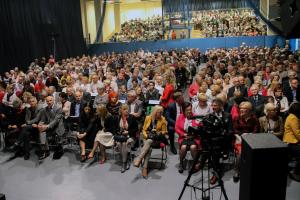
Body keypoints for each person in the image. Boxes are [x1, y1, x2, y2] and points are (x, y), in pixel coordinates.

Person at [134, 105, 168, 178]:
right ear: (155, 112)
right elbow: (143, 130)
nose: (161, 114)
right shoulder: (148, 118)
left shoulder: (163, 120)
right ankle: (145, 168)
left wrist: (157, 132)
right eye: (160, 112)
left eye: (162, 112)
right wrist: (146, 135)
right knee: (149, 148)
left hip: (157, 139)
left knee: (149, 141)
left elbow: (165, 132)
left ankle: (139, 159)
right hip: (147, 137)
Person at [175, 102, 201, 173]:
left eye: (190, 109)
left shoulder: (195, 117)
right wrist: (183, 134)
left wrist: (194, 133)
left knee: (193, 147)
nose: (189, 111)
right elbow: (176, 128)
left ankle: (196, 164)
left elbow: (200, 128)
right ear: (183, 110)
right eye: (187, 110)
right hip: (184, 137)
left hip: (194, 137)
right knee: (183, 147)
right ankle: (181, 163)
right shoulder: (180, 117)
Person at [114, 104, 138, 173]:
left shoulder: (132, 117)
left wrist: (128, 132)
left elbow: (136, 129)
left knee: (125, 143)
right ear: (121, 110)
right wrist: (120, 132)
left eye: (127, 109)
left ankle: (124, 163)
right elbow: (115, 129)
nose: (126, 111)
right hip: (120, 136)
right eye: (124, 109)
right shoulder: (117, 118)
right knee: (118, 143)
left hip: (131, 137)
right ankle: (126, 159)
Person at [283, 102, 300, 181]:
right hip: (291, 142)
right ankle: (295, 172)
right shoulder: (293, 118)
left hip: (292, 141)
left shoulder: (291, 116)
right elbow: (297, 132)